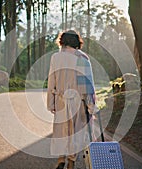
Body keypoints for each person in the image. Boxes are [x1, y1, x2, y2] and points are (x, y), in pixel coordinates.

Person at [47, 30, 98, 169]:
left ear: (62, 41)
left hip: (60, 100)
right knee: (75, 133)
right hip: (78, 101)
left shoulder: (55, 57)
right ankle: (71, 162)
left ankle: (60, 159)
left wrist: (50, 102)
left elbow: (52, 81)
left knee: (61, 131)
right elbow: (87, 85)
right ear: (77, 42)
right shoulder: (82, 57)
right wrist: (91, 105)